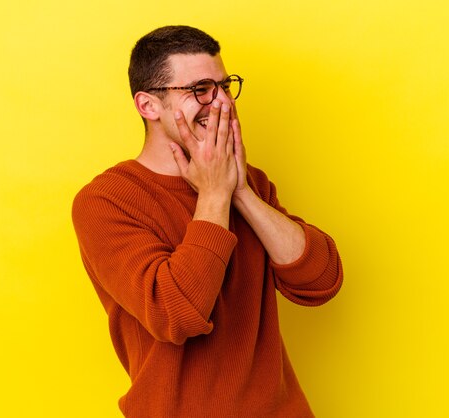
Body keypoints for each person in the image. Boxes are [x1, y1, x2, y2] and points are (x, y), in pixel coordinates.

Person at [72, 25, 343, 418]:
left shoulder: (249, 181)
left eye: (224, 85)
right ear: (148, 105)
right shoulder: (105, 201)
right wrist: (214, 194)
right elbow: (176, 314)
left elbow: (321, 281)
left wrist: (241, 193)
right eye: (200, 89)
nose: (220, 103)